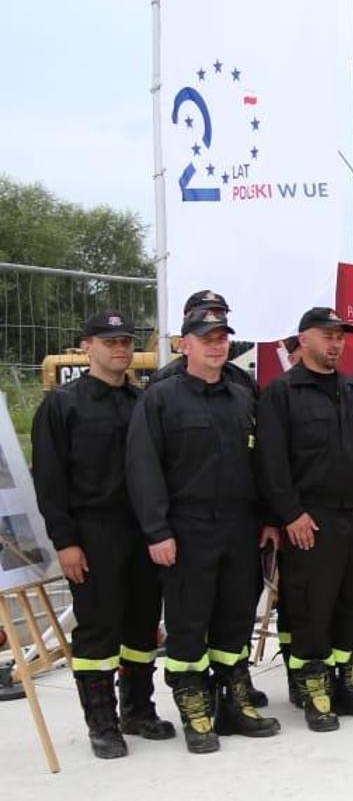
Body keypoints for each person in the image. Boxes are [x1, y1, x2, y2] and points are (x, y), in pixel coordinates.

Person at [124, 308, 281, 753]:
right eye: (206, 337)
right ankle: (195, 708)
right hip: (187, 528)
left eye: (222, 337)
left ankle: (232, 705)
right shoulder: (161, 398)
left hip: (240, 526)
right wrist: (157, 532)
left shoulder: (242, 396)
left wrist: (268, 518)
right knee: (189, 624)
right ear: (184, 344)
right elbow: (144, 469)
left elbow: (262, 463)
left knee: (235, 620)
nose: (217, 345)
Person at [33, 310, 176, 759]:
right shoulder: (63, 405)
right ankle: (102, 723)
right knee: (98, 630)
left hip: (142, 531)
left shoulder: (141, 402)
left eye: (126, 342)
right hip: (93, 533)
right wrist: (66, 542)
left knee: (142, 625)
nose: (120, 349)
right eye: (110, 341)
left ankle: (138, 710)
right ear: (86, 346)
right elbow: (50, 481)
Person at [255, 307, 353, 731]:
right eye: (327, 335)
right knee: (312, 607)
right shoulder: (282, 394)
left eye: (341, 336)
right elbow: (271, 463)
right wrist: (290, 514)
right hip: (311, 521)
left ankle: (347, 684)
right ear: (303, 339)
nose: (336, 343)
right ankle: (315, 690)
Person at [148, 290, 259, 391]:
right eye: (205, 313)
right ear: (187, 318)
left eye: (219, 314)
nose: (212, 318)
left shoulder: (243, 381)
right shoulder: (162, 383)